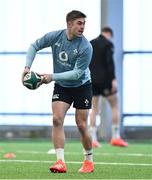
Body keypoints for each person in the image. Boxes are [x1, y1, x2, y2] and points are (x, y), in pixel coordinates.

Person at [22, 10, 94, 173]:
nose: (82, 27)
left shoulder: (86, 47)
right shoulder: (56, 37)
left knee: (81, 125)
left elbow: (77, 73)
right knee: (56, 119)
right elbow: (34, 46)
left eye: (84, 23)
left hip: (82, 86)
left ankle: (88, 161)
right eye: (79, 23)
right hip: (62, 86)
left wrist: (52, 76)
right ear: (69, 24)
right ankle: (60, 162)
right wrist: (27, 68)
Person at [89, 27, 128, 148]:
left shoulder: (91, 43)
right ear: (110, 34)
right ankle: (115, 137)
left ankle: (92, 139)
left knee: (94, 109)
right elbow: (109, 63)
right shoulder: (108, 43)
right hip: (105, 81)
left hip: (92, 80)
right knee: (115, 105)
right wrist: (113, 80)